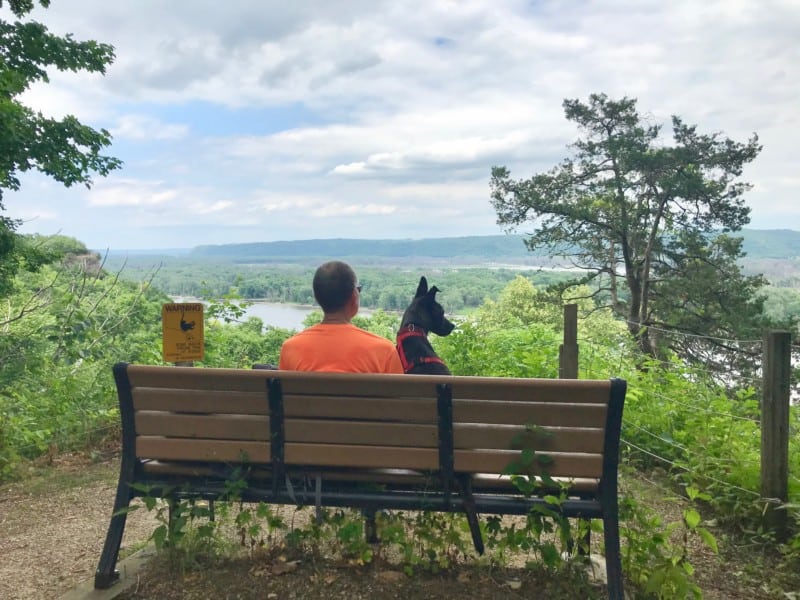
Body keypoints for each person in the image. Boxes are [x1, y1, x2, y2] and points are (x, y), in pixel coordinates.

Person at [279, 260, 404, 373]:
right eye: (358, 290)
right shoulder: (383, 351)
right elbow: (400, 396)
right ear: (354, 297)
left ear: (317, 297)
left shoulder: (290, 349)